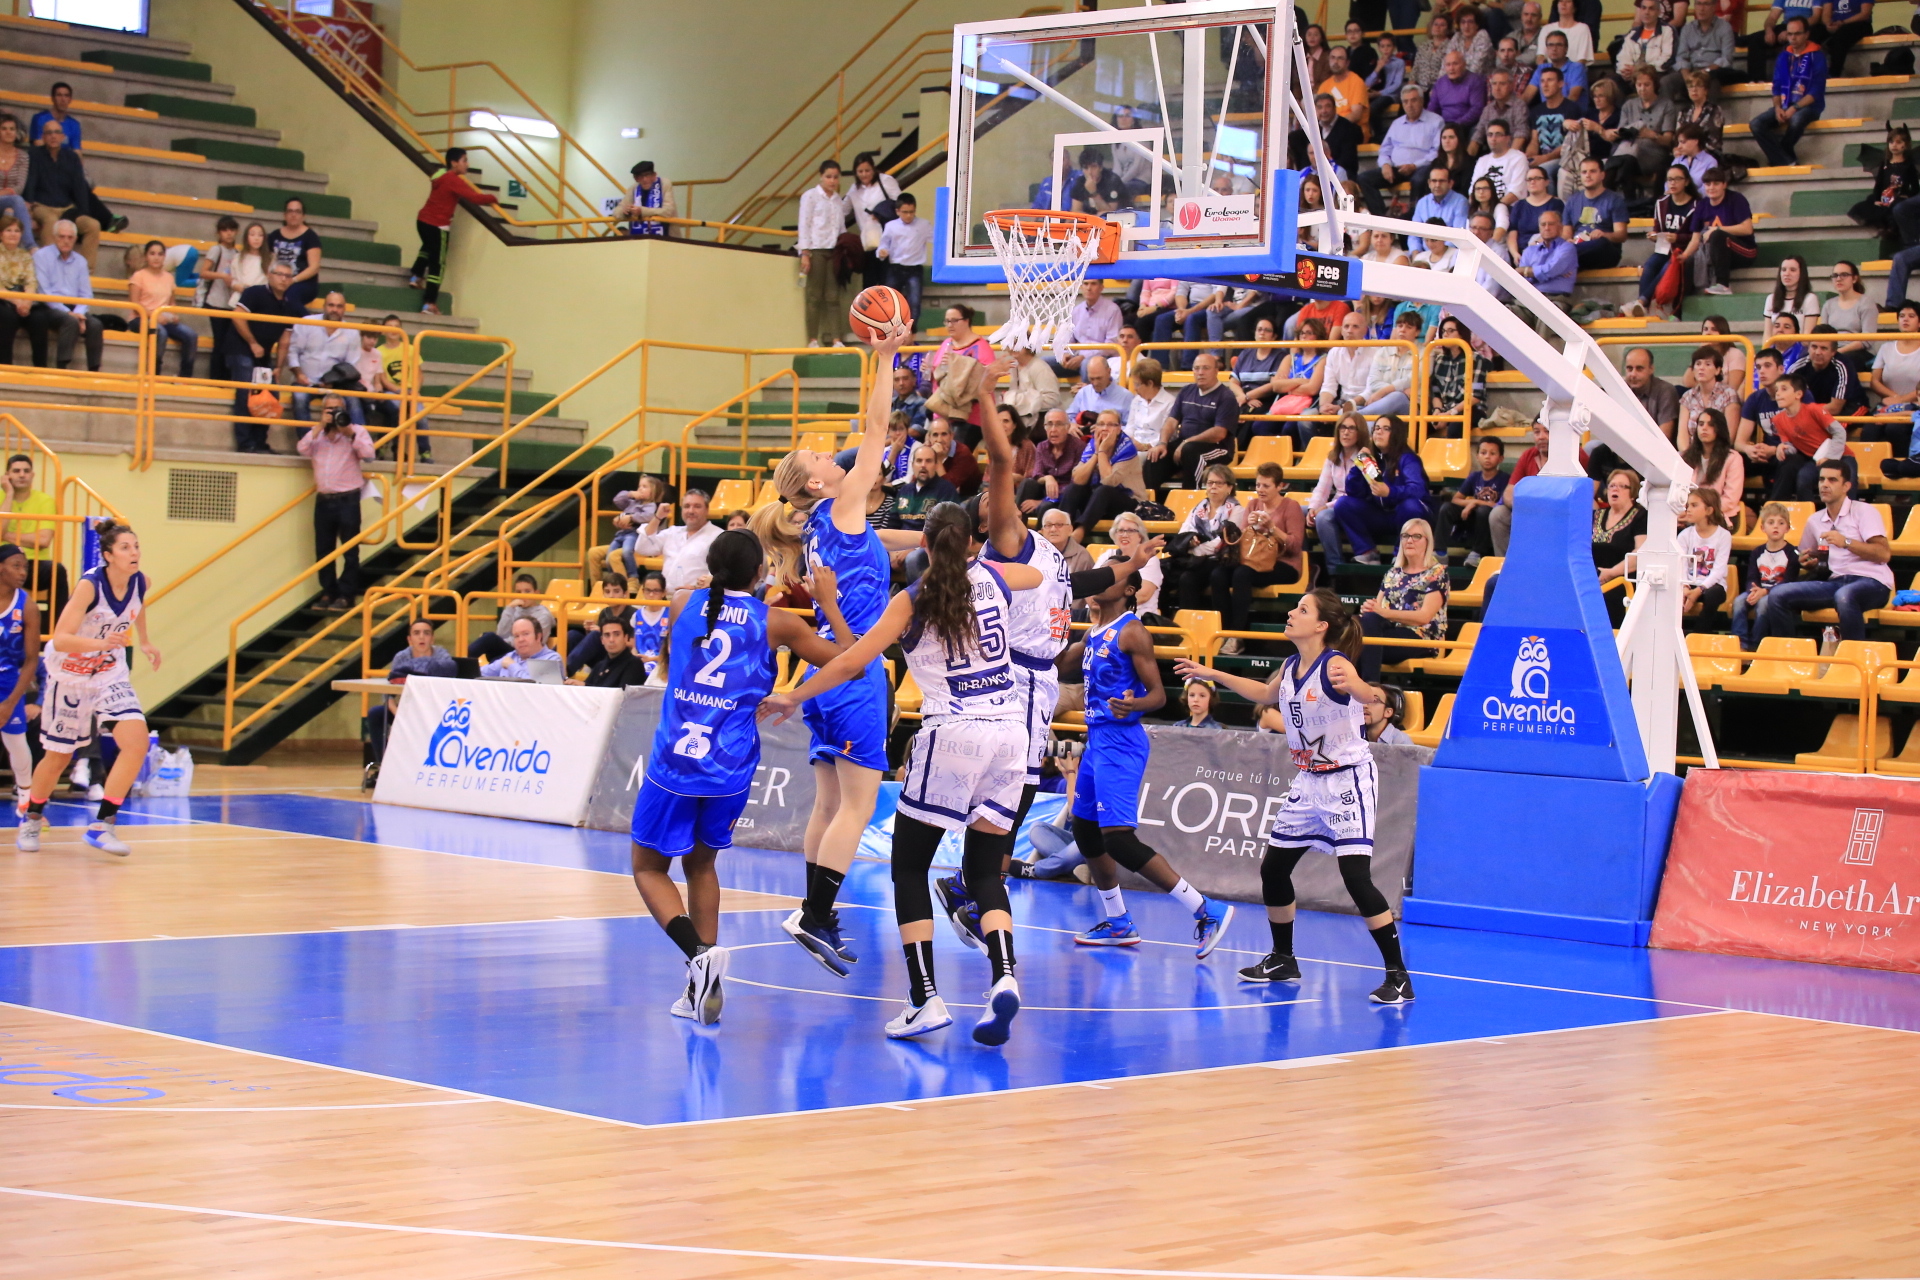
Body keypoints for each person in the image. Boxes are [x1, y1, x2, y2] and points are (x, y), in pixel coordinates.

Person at [762, 503, 1046, 1043]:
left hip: (955, 732)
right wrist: (986, 556)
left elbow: (849, 661)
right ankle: (1004, 976)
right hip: (1012, 732)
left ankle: (925, 998)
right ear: (969, 543)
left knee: (909, 868)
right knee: (985, 871)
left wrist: (793, 695)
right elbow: (1031, 573)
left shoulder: (910, 600)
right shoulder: (993, 575)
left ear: (923, 547)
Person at [636, 530, 853, 1026]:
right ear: (760, 573)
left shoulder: (681, 602)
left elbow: (685, 646)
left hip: (677, 759)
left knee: (648, 868)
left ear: (711, 568)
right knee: (701, 867)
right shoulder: (776, 621)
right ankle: (701, 987)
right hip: (730, 765)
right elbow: (851, 663)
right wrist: (828, 604)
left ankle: (699, 956)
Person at [1175, 591, 1412, 1003]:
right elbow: (1265, 695)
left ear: (1321, 626)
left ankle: (1398, 976)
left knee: (1356, 879)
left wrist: (1358, 686)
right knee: (1273, 869)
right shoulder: (1289, 666)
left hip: (1346, 780)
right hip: (1309, 780)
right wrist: (1212, 674)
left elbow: (1371, 697)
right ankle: (1283, 957)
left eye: (1302, 609)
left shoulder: (1335, 664)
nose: (1290, 612)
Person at [768, 333, 911, 973]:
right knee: (857, 805)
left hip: (823, 671)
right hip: (852, 674)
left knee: (827, 804)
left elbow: (880, 546)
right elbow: (877, 425)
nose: (830, 452)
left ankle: (809, 909)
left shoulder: (826, 525)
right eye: (818, 454)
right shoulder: (843, 502)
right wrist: (885, 357)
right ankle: (821, 915)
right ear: (815, 481)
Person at [1053, 569, 1234, 955]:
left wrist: (1133, 704)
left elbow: (1159, 696)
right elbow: (1059, 665)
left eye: (1114, 575)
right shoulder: (1094, 630)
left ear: (1130, 589)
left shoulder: (1132, 631)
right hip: (1096, 739)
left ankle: (1206, 909)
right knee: (1086, 833)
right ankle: (1118, 921)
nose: (1102, 581)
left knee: (1118, 840)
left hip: (1121, 742)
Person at [16, 519, 159, 857]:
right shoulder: (89, 586)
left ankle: (102, 825)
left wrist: (146, 641)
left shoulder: (141, 582)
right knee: (58, 757)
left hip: (109, 673)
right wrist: (98, 641)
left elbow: (137, 607)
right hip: (70, 674)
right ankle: (33, 816)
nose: (134, 552)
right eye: (125, 547)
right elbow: (62, 639)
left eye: (136, 546)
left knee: (136, 743)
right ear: (108, 555)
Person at [1754, 460, 1893, 642]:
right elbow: (1807, 556)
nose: (1825, 485)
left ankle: (1852, 659)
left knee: (1845, 596)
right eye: (1821, 480)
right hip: (1835, 582)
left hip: (1872, 582)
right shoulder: (1815, 520)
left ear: (1846, 486)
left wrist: (1847, 542)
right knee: (1778, 595)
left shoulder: (1864, 511)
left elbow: (1883, 554)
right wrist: (1808, 562)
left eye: (1832, 480)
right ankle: (1790, 657)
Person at [1214, 463, 1305, 654]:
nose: (1260, 490)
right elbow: (1246, 538)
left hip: (1284, 564)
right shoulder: (1253, 504)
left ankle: (1237, 637)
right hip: (1253, 559)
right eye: (1258, 485)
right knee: (1218, 574)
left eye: (1266, 486)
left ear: (1280, 486)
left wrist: (1272, 528)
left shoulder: (1291, 506)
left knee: (1242, 574)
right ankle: (1224, 631)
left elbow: (1295, 546)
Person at [295, 392, 374, 611]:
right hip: (323, 500)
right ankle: (328, 593)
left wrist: (349, 433)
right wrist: (320, 426)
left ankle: (346, 595)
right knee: (323, 550)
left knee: (349, 551)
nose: (332, 413)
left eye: (336, 409)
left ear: (345, 410)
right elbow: (301, 449)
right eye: (327, 409)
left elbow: (369, 455)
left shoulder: (357, 431)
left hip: (348, 499)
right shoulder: (317, 435)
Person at [362, 618, 454, 787]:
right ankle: (385, 768)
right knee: (376, 714)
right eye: (416, 633)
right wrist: (398, 713)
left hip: (432, 712)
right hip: (404, 710)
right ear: (409, 639)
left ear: (432, 639)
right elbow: (388, 692)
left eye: (426, 633)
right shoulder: (402, 657)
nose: (422, 638)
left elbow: (450, 670)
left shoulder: (441, 655)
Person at [227, 261, 307, 453]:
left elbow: (285, 339)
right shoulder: (254, 292)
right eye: (279, 274)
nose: (283, 279)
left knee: (272, 394)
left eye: (288, 276)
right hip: (240, 349)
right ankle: (245, 443)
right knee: (246, 390)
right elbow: (237, 316)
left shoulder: (290, 304)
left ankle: (260, 442)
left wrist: (278, 367)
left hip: (264, 355)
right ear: (270, 275)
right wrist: (252, 342)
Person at [1357, 519, 1450, 682]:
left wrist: (1383, 612)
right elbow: (1377, 611)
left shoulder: (1436, 573)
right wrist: (1369, 608)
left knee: (1359, 648)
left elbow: (1424, 617)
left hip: (1420, 636)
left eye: (1416, 536)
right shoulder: (1393, 573)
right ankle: (1367, 688)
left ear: (1427, 542)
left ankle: (1368, 688)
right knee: (1360, 624)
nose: (1409, 540)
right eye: (1405, 536)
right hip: (1389, 631)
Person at [409, 148, 498, 315]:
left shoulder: (440, 176)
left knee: (427, 248)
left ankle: (415, 276)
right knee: (438, 264)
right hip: (438, 225)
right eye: (464, 160)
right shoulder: (453, 180)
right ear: (454, 162)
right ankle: (429, 303)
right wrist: (492, 198)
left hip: (422, 220)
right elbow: (475, 198)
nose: (467, 164)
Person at [1144, 353, 1239, 491]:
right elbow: (1171, 421)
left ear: (1216, 371)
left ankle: (1190, 498)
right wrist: (1162, 443)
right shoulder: (1186, 391)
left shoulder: (1226, 397)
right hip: (1185, 445)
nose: (1200, 373)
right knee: (1155, 457)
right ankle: (1152, 505)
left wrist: (1187, 442)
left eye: (1206, 368)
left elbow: (1219, 433)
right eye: (1197, 368)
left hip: (1219, 447)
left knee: (1192, 452)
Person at [1492, 419, 1589, 555]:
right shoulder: (1528, 455)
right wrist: (1525, 508)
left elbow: (1580, 496)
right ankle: (1506, 564)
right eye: (1537, 432)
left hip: (1562, 512)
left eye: (1547, 431)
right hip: (1530, 510)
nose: (1541, 436)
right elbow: (1509, 492)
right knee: (1498, 515)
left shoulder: (1576, 455)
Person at [23, 120, 100, 268]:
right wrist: (30, 213)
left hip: (66, 208)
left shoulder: (72, 158)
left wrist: (84, 213)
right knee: (51, 221)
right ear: (43, 136)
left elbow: (79, 188)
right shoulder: (34, 154)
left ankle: (86, 271)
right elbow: (30, 183)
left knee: (93, 225)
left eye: (57, 132)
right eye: (49, 132)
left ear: (63, 136)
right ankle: (50, 267)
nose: (53, 136)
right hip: (41, 206)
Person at [1751, 17, 1824, 167]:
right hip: (1784, 103)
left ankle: (1779, 158)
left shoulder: (1817, 56)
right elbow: (1776, 86)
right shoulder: (1783, 56)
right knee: (1756, 124)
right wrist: (1778, 108)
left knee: (1797, 120)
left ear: (1806, 34)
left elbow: (1816, 92)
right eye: (1790, 34)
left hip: (1809, 106)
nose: (1793, 38)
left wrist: (1794, 108)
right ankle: (1787, 161)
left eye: (1797, 34)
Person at [30, 219, 101, 372]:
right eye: (62, 237)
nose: (66, 241)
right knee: (70, 321)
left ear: (75, 239)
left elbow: (86, 294)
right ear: (55, 237)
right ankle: (61, 367)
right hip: (49, 306)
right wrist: (70, 314)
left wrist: (78, 313)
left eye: (70, 237)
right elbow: (44, 292)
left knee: (96, 325)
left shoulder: (81, 261)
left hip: (74, 308)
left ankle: (94, 371)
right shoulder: (41, 256)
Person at [1628, 166, 1698, 320]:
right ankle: (1643, 305)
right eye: (1669, 179)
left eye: (1677, 179)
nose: (1672, 183)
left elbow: (1696, 236)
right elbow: (1658, 228)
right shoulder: (1661, 203)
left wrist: (1677, 238)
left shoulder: (1696, 205)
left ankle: (1642, 302)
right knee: (1650, 265)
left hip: (1683, 251)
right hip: (1664, 248)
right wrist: (1654, 235)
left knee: (1668, 267)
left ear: (1686, 182)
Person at [1361, 84, 1442, 216]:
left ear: (1422, 101)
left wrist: (1414, 165)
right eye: (1405, 101)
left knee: (1420, 180)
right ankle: (1382, 219)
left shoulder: (1435, 121)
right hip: (1396, 168)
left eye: (1414, 100)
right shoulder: (1397, 123)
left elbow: (1436, 152)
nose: (1409, 105)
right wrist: (1385, 165)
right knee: (1364, 178)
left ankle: (1414, 218)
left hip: (1421, 167)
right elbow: (1385, 149)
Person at [1731, 500, 1799, 649]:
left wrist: (1765, 592)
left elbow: (1788, 581)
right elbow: (1752, 577)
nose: (1776, 526)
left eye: (1781, 523)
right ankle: (1740, 644)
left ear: (1787, 528)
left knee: (1763, 604)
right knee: (1738, 602)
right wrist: (1753, 591)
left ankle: (1756, 645)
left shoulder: (1792, 553)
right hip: (1758, 590)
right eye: (1771, 522)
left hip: (1775, 594)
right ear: (1762, 527)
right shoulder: (1757, 552)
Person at [796, 160, 850, 348]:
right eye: (828, 176)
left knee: (833, 296)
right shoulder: (810, 197)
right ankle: (813, 339)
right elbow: (805, 224)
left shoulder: (837, 199)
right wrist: (805, 252)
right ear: (821, 177)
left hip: (833, 250)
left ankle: (836, 340)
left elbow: (841, 226)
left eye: (835, 177)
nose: (832, 181)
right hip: (816, 250)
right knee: (814, 296)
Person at [1173, 464, 1242, 610]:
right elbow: (1184, 533)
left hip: (1222, 559)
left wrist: (1197, 549)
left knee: (1213, 575)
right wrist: (1190, 541)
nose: (1213, 487)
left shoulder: (1236, 510)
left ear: (1229, 487)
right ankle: (1187, 626)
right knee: (1186, 579)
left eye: (1219, 483)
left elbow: (1223, 541)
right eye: (1210, 483)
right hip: (1199, 560)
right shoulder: (1198, 508)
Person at [284, 291, 361, 422]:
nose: (334, 310)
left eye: (339, 306)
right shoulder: (306, 322)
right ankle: (309, 441)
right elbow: (293, 352)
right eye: (331, 305)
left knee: (353, 400)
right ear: (324, 306)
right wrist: (299, 374)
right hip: (305, 381)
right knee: (299, 398)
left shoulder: (352, 332)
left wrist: (334, 382)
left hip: (336, 385)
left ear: (344, 309)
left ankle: (361, 441)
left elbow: (350, 366)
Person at [1766, 373, 1845, 500]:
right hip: (1813, 459)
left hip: (1841, 456)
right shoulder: (1778, 419)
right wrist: (1783, 447)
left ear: (1798, 394)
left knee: (1847, 483)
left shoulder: (1814, 410)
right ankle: (1807, 515)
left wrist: (1829, 458)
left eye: (1784, 389)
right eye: (1776, 390)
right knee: (1803, 477)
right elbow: (1792, 446)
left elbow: (1840, 432)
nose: (1778, 394)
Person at [0, 543, 39, 801]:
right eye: (16, 566)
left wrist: (10, 702)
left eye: (24, 567)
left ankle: (26, 799)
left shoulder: (28, 607)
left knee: (16, 742)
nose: (22, 572)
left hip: (8, 681)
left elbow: (32, 660)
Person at [1438, 435, 1510, 565]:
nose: (1487, 456)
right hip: (1472, 520)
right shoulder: (1474, 476)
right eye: (1483, 453)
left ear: (1501, 458)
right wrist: (1471, 503)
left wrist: (1475, 502)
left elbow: (1499, 506)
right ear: (1477, 456)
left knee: (1483, 511)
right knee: (1446, 508)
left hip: (1488, 524)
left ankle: (1477, 553)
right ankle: (1439, 552)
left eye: (1492, 453)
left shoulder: (1505, 479)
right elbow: (1456, 499)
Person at [632, 488, 720, 594]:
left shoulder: (718, 536)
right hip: (666, 599)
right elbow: (642, 548)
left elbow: (720, 572)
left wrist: (696, 587)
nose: (691, 511)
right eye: (687, 506)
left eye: (697, 506)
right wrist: (658, 517)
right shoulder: (672, 532)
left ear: (707, 509)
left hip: (698, 599)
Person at [468, 573, 555, 662]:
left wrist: (505, 641)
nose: (523, 595)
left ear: (537, 593)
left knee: (490, 638)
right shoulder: (514, 609)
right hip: (509, 652)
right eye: (518, 592)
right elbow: (501, 633)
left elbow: (536, 642)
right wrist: (509, 608)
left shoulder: (543, 615)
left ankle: (459, 663)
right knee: (488, 638)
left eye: (527, 591)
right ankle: (461, 664)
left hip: (526, 654)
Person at [1677, 486, 1734, 618]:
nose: (1688, 509)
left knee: (1713, 595)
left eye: (1694, 505)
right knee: (1673, 593)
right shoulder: (1684, 535)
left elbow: (1719, 570)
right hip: (1688, 583)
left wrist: (1699, 589)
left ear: (1708, 510)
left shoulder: (1724, 535)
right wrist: (1685, 587)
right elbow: (1681, 565)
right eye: (1688, 505)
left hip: (1713, 585)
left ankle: (1701, 633)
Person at [1667, 4, 1737, 98]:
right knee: (1667, 81)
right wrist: (1688, 78)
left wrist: (1704, 72)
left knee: (1712, 83)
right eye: (1698, 4)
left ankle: (1709, 112)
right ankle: (1666, 112)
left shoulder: (1725, 28)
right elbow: (1681, 57)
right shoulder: (1688, 28)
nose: (1701, 8)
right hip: (1691, 70)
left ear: (1714, 7)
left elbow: (1726, 59)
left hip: (1713, 72)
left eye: (1706, 4)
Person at [268, 198, 324, 310]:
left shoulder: (310, 237)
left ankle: (309, 324)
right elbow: (269, 262)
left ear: (303, 216)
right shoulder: (274, 236)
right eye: (290, 211)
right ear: (284, 215)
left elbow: (314, 267)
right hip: (278, 280)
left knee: (289, 296)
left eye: (297, 211)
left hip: (303, 283)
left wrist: (292, 280)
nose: (293, 215)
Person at [608, 159, 676, 241]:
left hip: (665, 238)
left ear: (654, 175)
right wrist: (625, 211)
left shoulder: (664, 184)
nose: (645, 179)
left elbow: (668, 211)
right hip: (637, 240)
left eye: (647, 175)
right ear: (636, 179)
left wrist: (641, 211)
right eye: (640, 176)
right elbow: (617, 212)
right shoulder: (633, 188)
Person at [1869, 303, 1920, 412]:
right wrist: (1896, 398)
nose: (1905, 319)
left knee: (1894, 429)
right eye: (1902, 316)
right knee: (1870, 429)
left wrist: (1902, 400)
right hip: (1889, 405)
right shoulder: (1886, 347)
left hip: (1916, 407)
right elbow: (1874, 381)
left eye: (1911, 316)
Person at [0, 114, 36, 250]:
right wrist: (7, 195)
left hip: (10, 202)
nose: (8, 132)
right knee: (16, 201)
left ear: (17, 133)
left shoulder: (23, 156)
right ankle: (31, 247)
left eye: (12, 129)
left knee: (12, 208)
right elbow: (15, 193)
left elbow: (20, 186)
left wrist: (8, 198)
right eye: (4, 128)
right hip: (11, 200)